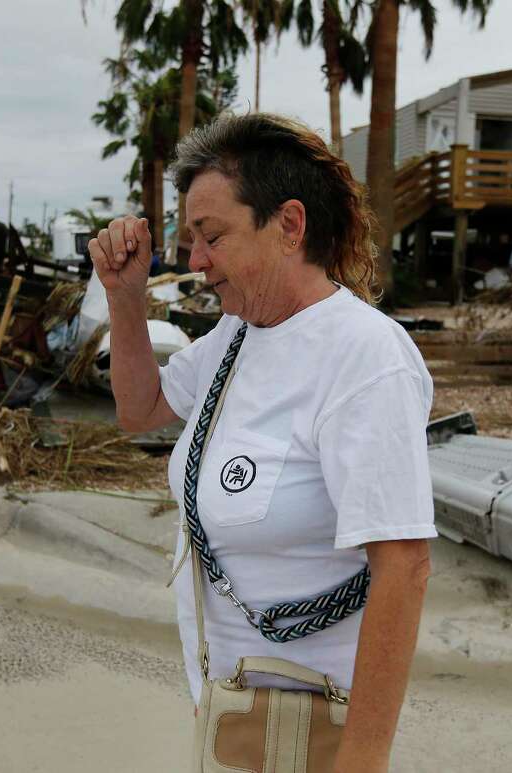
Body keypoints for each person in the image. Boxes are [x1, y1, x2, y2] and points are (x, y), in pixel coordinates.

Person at [89, 113, 435, 771]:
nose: (195, 261)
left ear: (289, 226)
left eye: (212, 236)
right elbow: (142, 408)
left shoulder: (363, 356)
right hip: (231, 715)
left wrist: (362, 759)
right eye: (192, 238)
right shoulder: (238, 334)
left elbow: (405, 565)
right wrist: (125, 301)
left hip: (313, 729)